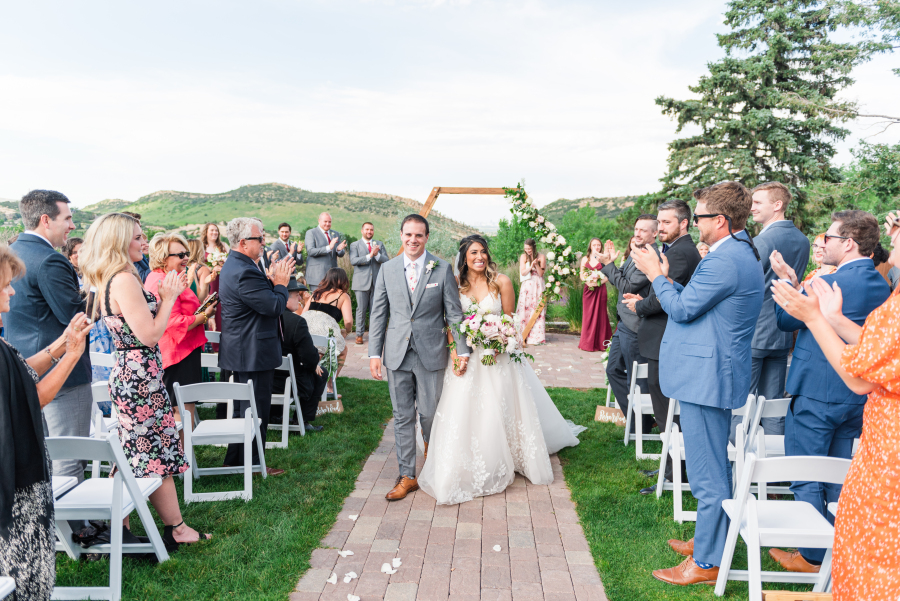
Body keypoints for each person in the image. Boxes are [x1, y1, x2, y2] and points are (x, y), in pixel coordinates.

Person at [630, 181, 764, 585]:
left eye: (701, 217)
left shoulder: (726, 259)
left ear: (719, 221)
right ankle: (709, 540)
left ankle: (706, 563)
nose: (698, 224)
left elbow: (684, 310)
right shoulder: (737, 251)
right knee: (712, 466)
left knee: (707, 473)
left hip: (708, 376)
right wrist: (669, 279)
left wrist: (656, 275)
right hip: (715, 371)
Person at [770, 210, 900, 601]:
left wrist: (794, 291)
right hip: (860, 407)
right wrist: (836, 318)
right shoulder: (882, 285)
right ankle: (830, 547)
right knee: (836, 477)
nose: (822, 242)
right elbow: (879, 349)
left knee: (806, 476)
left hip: (826, 391)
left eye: (828, 236)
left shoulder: (825, 281)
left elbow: (785, 319)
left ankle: (812, 556)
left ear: (848, 243)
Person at [417, 235, 584, 505]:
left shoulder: (502, 282)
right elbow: (451, 322)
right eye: (473, 253)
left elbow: (510, 320)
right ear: (464, 256)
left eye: (483, 252)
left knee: (501, 405)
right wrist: (456, 353)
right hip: (466, 357)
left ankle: (510, 454)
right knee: (464, 408)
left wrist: (499, 342)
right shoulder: (455, 284)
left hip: (498, 357)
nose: (479, 257)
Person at [79, 212, 209, 547]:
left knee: (137, 450)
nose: (143, 241)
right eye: (137, 237)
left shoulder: (116, 276)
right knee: (150, 450)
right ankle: (173, 529)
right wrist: (166, 300)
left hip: (136, 373)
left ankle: (125, 528)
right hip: (139, 377)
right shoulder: (123, 279)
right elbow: (149, 335)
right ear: (120, 241)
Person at [0, 245, 92, 601]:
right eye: (6, 285)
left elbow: (20, 372)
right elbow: (32, 396)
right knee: (25, 577)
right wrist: (71, 356)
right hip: (17, 481)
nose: (11, 292)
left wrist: (59, 344)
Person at [368, 214, 471, 501]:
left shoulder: (441, 268)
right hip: (397, 355)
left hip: (431, 353)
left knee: (429, 414)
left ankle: (434, 467)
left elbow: (454, 313)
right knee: (402, 416)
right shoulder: (387, 269)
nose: (413, 240)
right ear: (401, 236)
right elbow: (378, 314)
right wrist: (374, 353)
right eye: (408, 235)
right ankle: (407, 476)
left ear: (426, 237)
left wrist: (463, 350)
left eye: (419, 235)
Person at [6, 189, 93, 485]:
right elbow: (75, 316)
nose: (71, 226)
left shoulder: (14, 252)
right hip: (61, 375)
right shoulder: (50, 260)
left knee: (41, 454)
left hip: (23, 368)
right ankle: (80, 530)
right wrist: (97, 291)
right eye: (67, 218)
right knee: (69, 457)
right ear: (46, 219)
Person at [621, 200, 701, 494]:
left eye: (666, 223)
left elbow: (664, 297)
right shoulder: (674, 251)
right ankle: (669, 466)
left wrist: (639, 305)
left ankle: (677, 472)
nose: (661, 227)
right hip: (660, 340)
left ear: (684, 223)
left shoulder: (681, 254)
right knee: (663, 410)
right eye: (660, 221)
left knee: (668, 411)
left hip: (665, 339)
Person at [217, 217, 294, 476]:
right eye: (259, 238)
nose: (263, 242)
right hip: (251, 350)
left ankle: (236, 460)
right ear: (242, 242)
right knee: (256, 409)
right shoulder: (245, 270)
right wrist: (282, 284)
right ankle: (253, 463)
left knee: (244, 409)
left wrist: (271, 283)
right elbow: (274, 307)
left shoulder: (238, 264)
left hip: (244, 347)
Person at [739, 182, 810, 439]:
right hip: (782, 332)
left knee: (741, 405)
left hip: (753, 331)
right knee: (773, 408)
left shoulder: (759, 241)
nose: (751, 207)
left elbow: (745, 287)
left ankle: (738, 471)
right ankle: (775, 473)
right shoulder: (802, 241)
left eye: (758, 203)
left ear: (777, 205)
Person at [144, 233, 218, 445]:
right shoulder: (161, 281)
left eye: (186, 253)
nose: (186, 258)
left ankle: (181, 460)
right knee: (182, 411)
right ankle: (181, 464)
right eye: (180, 254)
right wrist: (204, 316)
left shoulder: (171, 277)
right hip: (178, 354)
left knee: (183, 409)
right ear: (162, 257)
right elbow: (173, 322)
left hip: (183, 350)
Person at [599, 215, 659, 431]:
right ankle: (638, 421)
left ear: (655, 233)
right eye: (636, 229)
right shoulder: (636, 254)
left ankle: (645, 424)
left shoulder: (652, 258)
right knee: (613, 369)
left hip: (636, 326)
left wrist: (608, 266)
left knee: (639, 380)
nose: (637, 233)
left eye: (643, 230)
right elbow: (622, 276)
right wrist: (613, 263)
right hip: (623, 323)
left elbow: (627, 287)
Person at [272, 277, 328, 432]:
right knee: (321, 373)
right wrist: (313, 364)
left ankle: (275, 415)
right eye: (296, 294)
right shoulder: (297, 322)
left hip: (266, 379)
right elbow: (310, 357)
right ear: (285, 295)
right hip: (289, 383)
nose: (299, 298)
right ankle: (302, 419)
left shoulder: (265, 317)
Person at [302, 268, 353, 396]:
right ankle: (329, 385)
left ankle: (310, 383)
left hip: (305, 333)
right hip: (324, 335)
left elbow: (303, 314)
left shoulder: (316, 293)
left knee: (319, 354)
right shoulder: (342, 295)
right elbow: (348, 321)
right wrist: (346, 331)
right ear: (343, 280)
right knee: (342, 350)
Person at [349, 222, 389, 346]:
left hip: (377, 282)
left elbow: (386, 260)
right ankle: (359, 335)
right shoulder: (355, 245)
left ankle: (374, 334)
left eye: (371, 229)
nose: (369, 232)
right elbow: (353, 260)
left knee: (375, 310)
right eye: (367, 229)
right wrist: (370, 255)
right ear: (362, 231)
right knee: (361, 309)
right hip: (361, 283)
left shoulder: (379, 244)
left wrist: (377, 255)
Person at [577, 238, 611, 352]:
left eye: (598, 245)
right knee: (588, 315)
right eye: (594, 245)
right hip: (588, 290)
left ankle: (601, 343)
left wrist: (598, 283)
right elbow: (582, 274)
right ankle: (587, 343)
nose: (596, 247)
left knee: (601, 315)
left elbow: (608, 276)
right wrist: (587, 281)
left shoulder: (604, 258)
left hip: (600, 289)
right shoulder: (585, 259)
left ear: (601, 246)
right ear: (590, 246)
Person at [515, 238, 548, 345]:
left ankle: (536, 337)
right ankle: (522, 335)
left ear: (533, 247)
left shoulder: (541, 257)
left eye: (529, 249)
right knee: (525, 307)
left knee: (537, 309)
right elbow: (523, 272)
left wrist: (536, 264)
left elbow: (541, 273)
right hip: (527, 285)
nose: (527, 251)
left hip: (538, 284)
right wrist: (530, 266)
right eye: (525, 249)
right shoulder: (523, 257)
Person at [305, 212, 347, 291]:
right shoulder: (311, 233)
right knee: (317, 302)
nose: (327, 224)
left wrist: (339, 250)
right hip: (317, 277)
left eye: (329, 222)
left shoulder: (335, 234)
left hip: (333, 277)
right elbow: (310, 251)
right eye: (325, 221)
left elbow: (341, 254)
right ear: (319, 221)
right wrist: (329, 247)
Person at [201, 222, 229, 334]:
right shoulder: (202, 247)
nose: (214, 232)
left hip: (222, 280)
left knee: (223, 305)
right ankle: (211, 340)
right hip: (208, 281)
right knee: (210, 303)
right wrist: (212, 267)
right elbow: (199, 264)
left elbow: (231, 263)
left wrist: (222, 266)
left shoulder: (223, 246)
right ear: (206, 232)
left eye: (216, 230)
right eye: (211, 230)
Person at [122, 212, 151, 282]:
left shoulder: (136, 253)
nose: (140, 230)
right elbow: (142, 278)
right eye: (137, 238)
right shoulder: (125, 277)